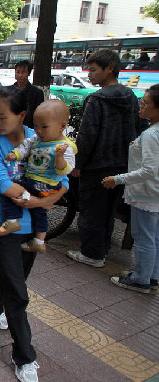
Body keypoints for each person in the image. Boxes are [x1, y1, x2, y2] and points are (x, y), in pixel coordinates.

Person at [0, 87, 68, 382]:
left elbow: (63, 178)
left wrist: (55, 194)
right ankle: (24, 357)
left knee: (13, 276)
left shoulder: (43, 132)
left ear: (22, 116)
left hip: (32, 225)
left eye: (3, 117)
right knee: (17, 291)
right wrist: (46, 200)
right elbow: (7, 187)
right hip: (3, 225)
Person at [67, 49, 147, 268]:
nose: (89, 74)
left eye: (93, 70)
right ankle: (101, 249)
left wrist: (78, 163)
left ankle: (92, 254)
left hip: (97, 166)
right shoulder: (130, 96)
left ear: (109, 69)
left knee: (92, 209)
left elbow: (87, 135)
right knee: (109, 209)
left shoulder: (97, 99)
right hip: (122, 165)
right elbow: (139, 127)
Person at [0, 100, 77, 253]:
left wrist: (59, 158)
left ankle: (12, 220)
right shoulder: (37, 139)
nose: (39, 131)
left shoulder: (65, 147)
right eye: (36, 126)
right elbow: (25, 146)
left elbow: (66, 170)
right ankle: (39, 240)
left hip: (46, 183)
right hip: (35, 182)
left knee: (11, 190)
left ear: (62, 126)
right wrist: (15, 154)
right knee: (39, 211)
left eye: (44, 127)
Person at [102, 85, 159, 293]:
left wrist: (117, 179)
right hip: (155, 195)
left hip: (146, 194)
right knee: (154, 238)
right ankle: (151, 276)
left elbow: (149, 170)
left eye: (145, 103)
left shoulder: (152, 134)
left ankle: (140, 279)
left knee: (144, 238)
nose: (141, 106)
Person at [10, 60, 44, 129]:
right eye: (17, 72)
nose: (20, 75)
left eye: (23, 72)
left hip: (29, 129)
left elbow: (39, 114)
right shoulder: (8, 91)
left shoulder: (37, 93)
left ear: (29, 73)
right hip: (11, 129)